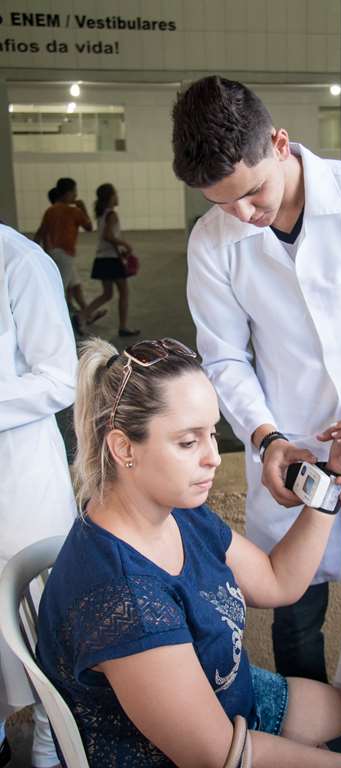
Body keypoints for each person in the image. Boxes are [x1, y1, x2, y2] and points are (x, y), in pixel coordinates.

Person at [36, 336, 341, 768]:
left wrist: (330, 483)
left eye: (212, 433)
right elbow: (216, 756)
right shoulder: (124, 597)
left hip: (242, 701)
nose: (214, 458)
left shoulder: (176, 512)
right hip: (212, 754)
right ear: (124, 448)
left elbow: (276, 581)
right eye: (188, 442)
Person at [172, 76, 341, 682]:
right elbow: (223, 359)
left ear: (279, 143)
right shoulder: (213, 241)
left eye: (253, 192)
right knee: (295, 614)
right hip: (289, 442)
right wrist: (267, 438)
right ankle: (313, 725)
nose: (244, 215)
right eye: (222, 203)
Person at [0, 223, 77, 767]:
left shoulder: (18, 261)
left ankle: (52, 757)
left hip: (21, 491)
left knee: (49, 644)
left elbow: (60, 377)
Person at [35, 177, 103, 332]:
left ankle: (87, 314)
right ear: (67, 193)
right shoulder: (74, 211)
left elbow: (41, 232)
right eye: (74, 192)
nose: (75, 195)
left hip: (52, 252)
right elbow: (89, 227)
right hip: (65, 254)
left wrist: (36, 252)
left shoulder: (50, 210)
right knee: (60, 290)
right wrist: (83, 207)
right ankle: (59, 323)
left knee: (76, 285)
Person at [86, 183, 140, 337]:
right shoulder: (112, 214)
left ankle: (82, 316)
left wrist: (119, 250)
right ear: (109, 197)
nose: (117, 197)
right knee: (124, 292)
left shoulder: (102, 214)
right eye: (115, 194)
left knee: (107, 294)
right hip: (111, 259)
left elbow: (106, 237)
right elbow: (108, 236)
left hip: (102, 258)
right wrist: (125, 244)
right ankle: (123, 327)